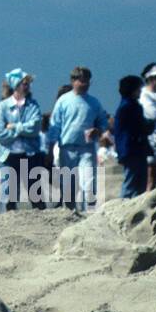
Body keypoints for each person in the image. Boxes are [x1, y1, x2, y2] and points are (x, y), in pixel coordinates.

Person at [49, 67, 107, 211]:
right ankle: (70, 213)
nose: (85, 84)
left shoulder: (94, 102)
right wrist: (50, 149)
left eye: (87, 81)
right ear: (73, 81)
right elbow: (54, 125)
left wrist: (98, 130)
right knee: (68, 185)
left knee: (88, 183)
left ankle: (90, 214)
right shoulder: (63, 101)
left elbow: (103, 122)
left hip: (86, 148)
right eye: (82, 81)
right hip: (67, 148)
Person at [0, 69, 43, 211]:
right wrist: (22, 130)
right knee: (8, 194)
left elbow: (35, 127)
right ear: (16, 85)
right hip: (8, 155)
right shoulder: (3, 107)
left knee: (35, 193)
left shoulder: (33, 105)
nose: (27, 86)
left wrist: (13, 127)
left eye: (28, 84)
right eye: (24, 83)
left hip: (29, 154)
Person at [114, 75, 152, 198]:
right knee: (132, 181)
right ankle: (123, 205)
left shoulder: (131, 106)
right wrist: (147, 127)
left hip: (135, 148)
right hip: (131, 149)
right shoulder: (127, 108)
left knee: (139, 180)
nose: (140, 91)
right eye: (138, 89)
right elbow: (132, 129)